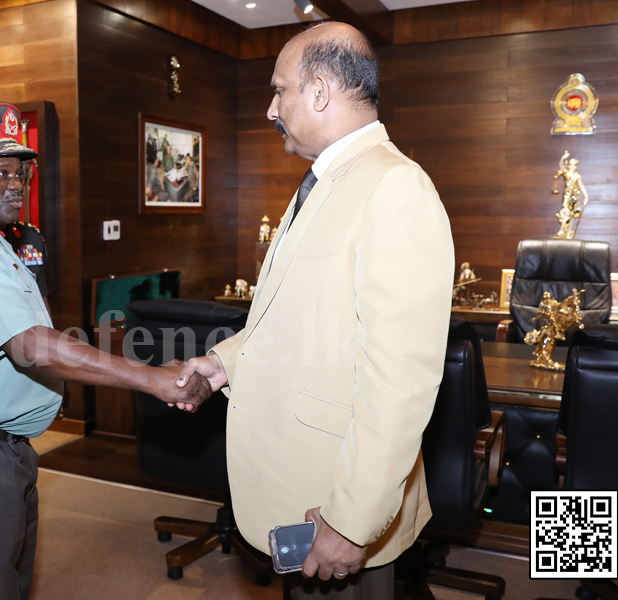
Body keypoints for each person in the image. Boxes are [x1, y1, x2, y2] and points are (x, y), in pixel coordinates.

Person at [177, 22, 454, 599]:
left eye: (280, 90)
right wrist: (228, 362)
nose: (270, 108)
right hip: (300, 484)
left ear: (321, 91)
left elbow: (399, 382)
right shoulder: (327, 179)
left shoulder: (395, 186)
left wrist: (352, 521)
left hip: (335, 501)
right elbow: (299, 318)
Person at [0, 102, 209, 600]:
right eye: (1, 172)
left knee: (8, 581)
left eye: (21, 174)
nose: (16, 185)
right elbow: (32, 346)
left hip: (3, 450)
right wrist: (152, 377)